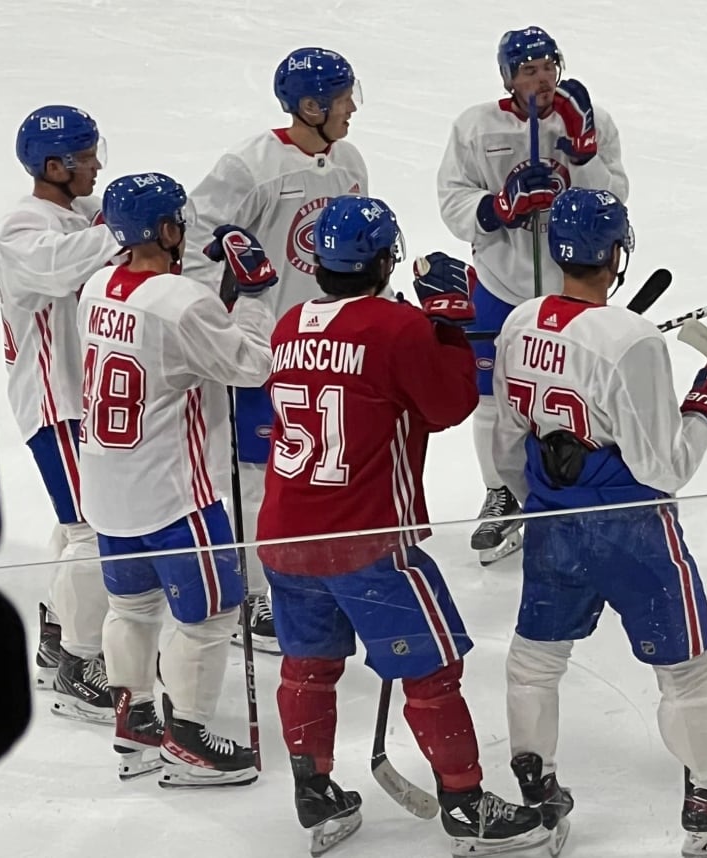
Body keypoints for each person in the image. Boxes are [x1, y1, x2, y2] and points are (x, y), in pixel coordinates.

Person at [256, 195, 547, 856]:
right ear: (386, 258)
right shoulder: (397, 328)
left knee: (307, 666)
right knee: (434, 670)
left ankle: (313, 789)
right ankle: (464, 802)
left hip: (283, 534)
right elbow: (448, 403)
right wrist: (448, 321)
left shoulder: (290, 323)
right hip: (366, 540)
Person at [492, 186, 707, 856]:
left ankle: (538, 793)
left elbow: (507, 441)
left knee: (533, 663)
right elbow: (663, 467)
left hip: (553, 521)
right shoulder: (633, 339)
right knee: (690, 668)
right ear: (616, 254)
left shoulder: (519, 320)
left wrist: (548, 494)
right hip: (631, 528)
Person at [77, 172, 276, 787]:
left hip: (108, 489)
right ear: (166, 229)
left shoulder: (94, 287)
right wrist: (257, 294)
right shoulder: (179, 302)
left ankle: (133, 717)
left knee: (131, 608)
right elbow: (249, 365)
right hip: (174, 494)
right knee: (213, 614)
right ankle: (189, 735)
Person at [183, 46, 368, 652]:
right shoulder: (250, 166)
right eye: (342, 98)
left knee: (314, 466)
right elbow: (190, 247)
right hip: (265, 351)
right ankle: (249, 595)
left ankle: (296, 577)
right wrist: (233, 310)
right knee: (253, 477)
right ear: (311, 106)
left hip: (326, 347)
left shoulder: (349, 160)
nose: (351, 109)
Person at [437, 26, 629, 565]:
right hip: (501, 287)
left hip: (576, 288)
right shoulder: (477, 126)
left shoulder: (590, 120)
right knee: (493, 401)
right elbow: (453, 202)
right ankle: (501, 492)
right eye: (528, 69)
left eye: (549, 66)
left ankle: (585, 489)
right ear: (507, 77)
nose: (542, 79)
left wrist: (584, 151)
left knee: (579, 393)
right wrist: (499, 207)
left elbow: (616, 198)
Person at [0, 105, 122, 722]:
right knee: (89, 532)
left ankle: (56, 628)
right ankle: (76, 662)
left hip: (85, 399)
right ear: (55, 166)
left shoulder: (75, 213)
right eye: (87, 155)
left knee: (79, 526)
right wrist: (125, 225)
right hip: (57, 404)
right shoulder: (23, 227)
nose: (98, 163)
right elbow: (60, 264)